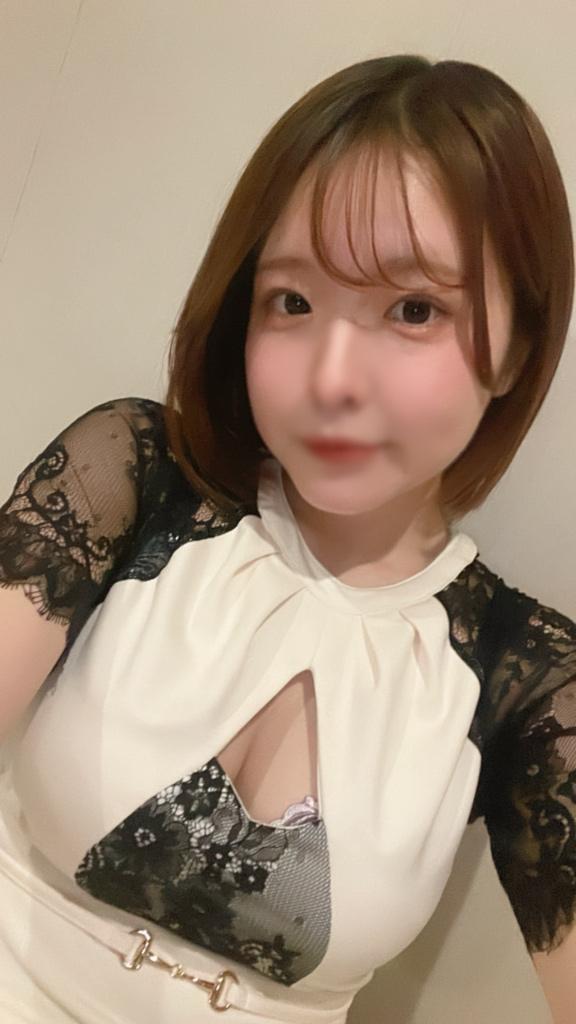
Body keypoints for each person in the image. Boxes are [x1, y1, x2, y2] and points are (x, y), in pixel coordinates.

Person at [0, 53, 574, 1024]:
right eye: (293, 302)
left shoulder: (524, 679)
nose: (330, 378)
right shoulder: (133, 477)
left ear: (517, 344)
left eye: (414, 309)